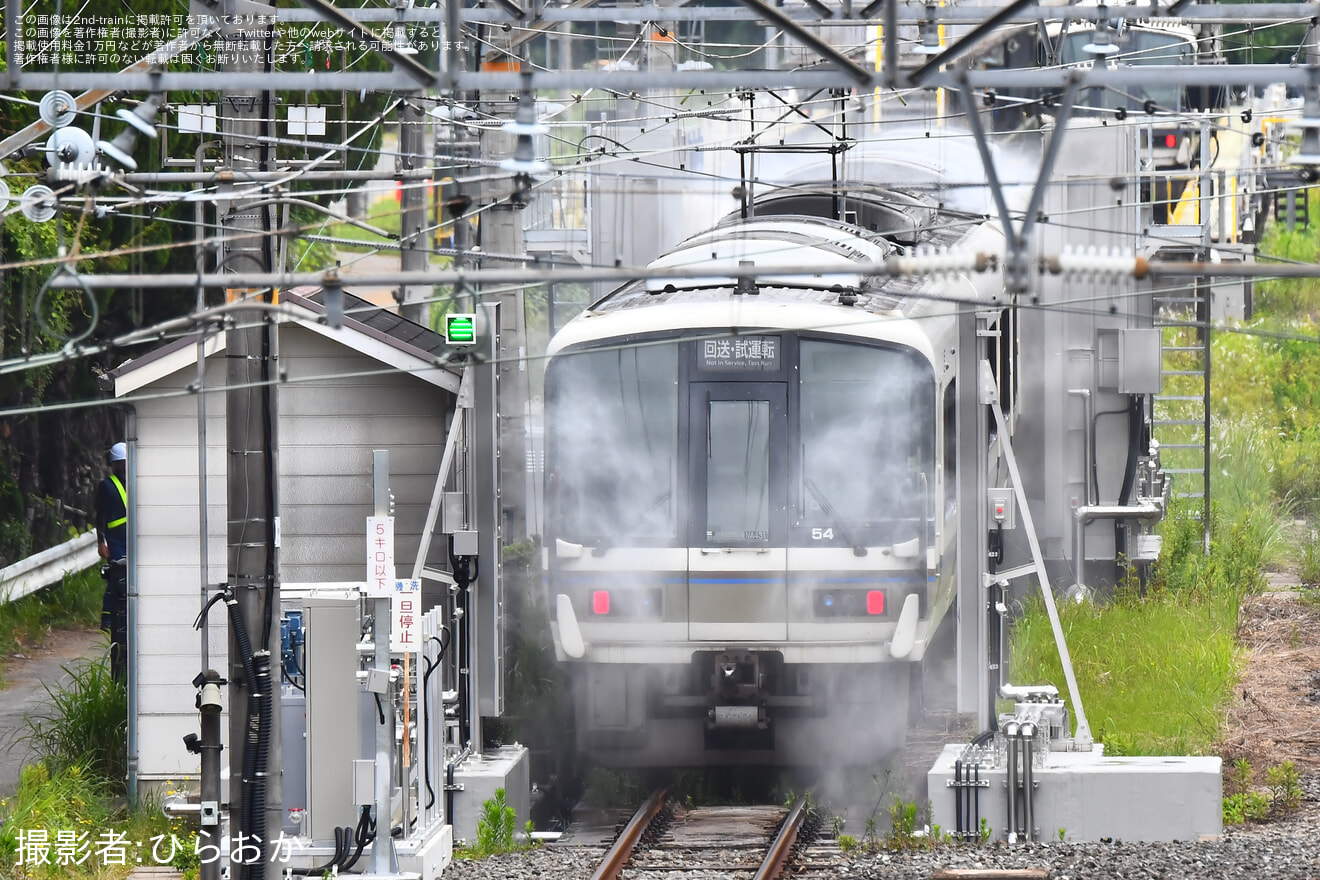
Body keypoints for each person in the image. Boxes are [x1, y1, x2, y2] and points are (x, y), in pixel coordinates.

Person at [95, 442, 128, 682]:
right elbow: (100, 515)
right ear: (114, 465)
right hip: (116, 538)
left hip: (132, 536)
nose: (124, 467)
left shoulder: (135, 480)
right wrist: (101, 540)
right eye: (121, 464)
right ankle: (108, 617)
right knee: (116, 574)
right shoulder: (106, 486)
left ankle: (124, 611)